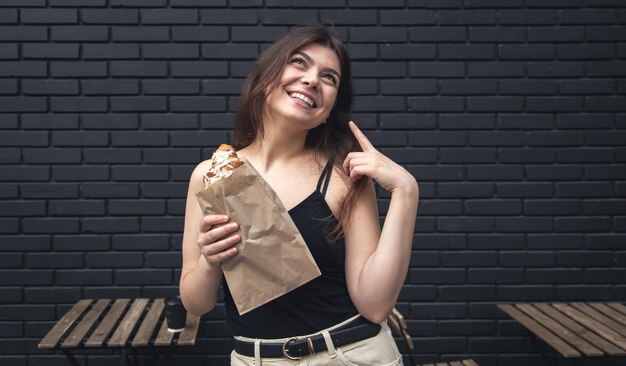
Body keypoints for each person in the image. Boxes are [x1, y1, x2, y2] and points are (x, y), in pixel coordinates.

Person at [179, 24, 419, 365]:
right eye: (299, 63)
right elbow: (195, 304)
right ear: (265, 76)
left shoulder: (344, 176)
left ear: (330, 107)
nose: (311, 80)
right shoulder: (212, 175)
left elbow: (376, 304)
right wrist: (210, 259)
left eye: (329, 78)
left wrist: (406, 193)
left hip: (350, 355)